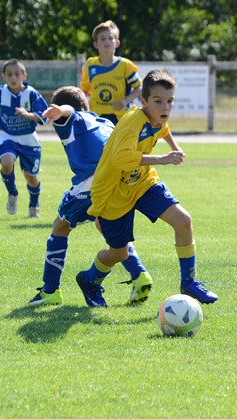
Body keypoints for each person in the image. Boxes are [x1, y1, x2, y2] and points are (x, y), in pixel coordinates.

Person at [79, 69, 218, 307]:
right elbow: (121, 159)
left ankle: (189, 282)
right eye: (158, 101)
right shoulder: (133, 122)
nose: (165, 107)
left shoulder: (156, 117)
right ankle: (89, 280)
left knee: (183, 220)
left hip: (142, 182)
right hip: (113, 194)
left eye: (170, 101)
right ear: (143, 101)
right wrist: (163, 158)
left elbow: (163, 129)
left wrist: (175, 147)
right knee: (119, 253)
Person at [29, 86, 152, 307]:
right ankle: (140, 274)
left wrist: (61, 110)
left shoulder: (74, 119)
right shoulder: (105, 122)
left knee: (60, 227)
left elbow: (70, 112)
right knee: (106, 228)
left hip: (94, 183)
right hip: (121, 182)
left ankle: (50, 291)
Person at [0, 58, 48, 218]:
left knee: (31, 177)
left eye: (17, 74)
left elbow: (43, 115)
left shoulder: (31, 94)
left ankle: (34, 203)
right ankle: (12, 193)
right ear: (3, 76)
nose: (13, 78)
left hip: (28, 140)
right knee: (6, 163)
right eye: (9, 74)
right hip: (8, 137)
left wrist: (27, 114)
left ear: (24, 76)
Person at [79, 20, 142, 126]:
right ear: (95, 44)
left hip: (120, 119)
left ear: (117, 43)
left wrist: (125, 100)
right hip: (96, 118)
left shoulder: (125, 65)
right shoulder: (90, 64)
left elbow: (139, 87)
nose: (107, 41)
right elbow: (84, 91)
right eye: (102, 38)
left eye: (110, 38)